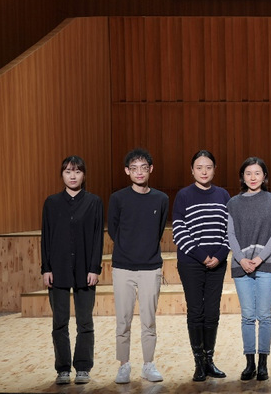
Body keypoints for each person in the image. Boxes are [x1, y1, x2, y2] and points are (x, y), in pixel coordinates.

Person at [41, 156, 104, 385]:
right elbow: (46, 237)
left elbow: (97, 238)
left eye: (77, 171)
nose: (73, 176)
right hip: (57, 269)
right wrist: (46, 268)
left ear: (84, 175)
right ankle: (63, 369)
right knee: (60, 322)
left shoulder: (94, 202)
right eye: (68, 171)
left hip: (85, 269)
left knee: (85, 322)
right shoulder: (51, 203)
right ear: (62, 175)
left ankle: (83, 367)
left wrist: (94, 268)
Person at [108, 148, 169, 384]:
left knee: (148, 320)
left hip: (150, 267)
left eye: (144, 168)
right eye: (134, 168)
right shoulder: (118, 198)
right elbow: (114, 230)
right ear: (127, 171)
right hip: (123, 267)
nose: (139, 172)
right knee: (123, 320)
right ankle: (123, 365)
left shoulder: (161, 199)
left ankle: (148, 364)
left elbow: (158, 229)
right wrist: (128, 249)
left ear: (151, 169)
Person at [172, 150, 230, 382]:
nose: (204, 171)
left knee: (212, 312)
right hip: (191, 263)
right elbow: (178, 230)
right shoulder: (184, 195)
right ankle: (198, 364)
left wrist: (219, 255)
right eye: (199, 167)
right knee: (196, 311)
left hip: (218, 262)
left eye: (208, 167)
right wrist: (203, 256)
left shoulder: (223, 195)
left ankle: (209, 361)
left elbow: (230, 230)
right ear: (192, 170)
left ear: (214, 170)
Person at [226, 157, 271, 382]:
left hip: (266, 263)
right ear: (242, 176)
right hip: (241, 265)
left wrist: (259, 258)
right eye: (248, 173)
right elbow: (230, 234)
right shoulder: (233, 203)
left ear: (264, 176)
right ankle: (249, 363)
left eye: (257, 173)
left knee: (264, 316)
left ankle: (263, 364)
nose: (252, 177)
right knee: (248, 316)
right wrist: (241, 259)